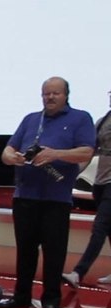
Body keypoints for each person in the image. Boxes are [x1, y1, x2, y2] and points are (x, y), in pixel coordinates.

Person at [0, 77, 95, 308]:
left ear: (66, 95)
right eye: (45, 94)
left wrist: (55, 155)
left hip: (56, 199)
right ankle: (21, 295)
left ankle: (51, 299)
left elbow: (86, 151)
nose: (49, 98)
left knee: (54, 252)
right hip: (26, 195)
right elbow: (6, 151)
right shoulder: (31, 119)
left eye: (55, 93)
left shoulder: (80, 118)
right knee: (25, 250)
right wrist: (13, 157)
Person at [63, 94, 111, 288]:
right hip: (100, 182)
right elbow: (89, 152)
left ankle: (78, 272)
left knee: (99, 227)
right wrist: (73, 174)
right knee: (109, 229)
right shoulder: (103, 121)